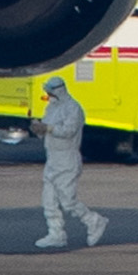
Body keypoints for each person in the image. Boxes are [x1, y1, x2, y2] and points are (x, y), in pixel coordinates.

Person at [34, 76, 107, 249]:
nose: (48, 95)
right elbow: (46, 127)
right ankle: (56, 233)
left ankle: (94, 221)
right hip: (52, 157)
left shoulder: (73, 108)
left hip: (67, 158)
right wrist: (39, 129)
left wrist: (48, 128)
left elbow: (69, 130)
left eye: (50, 92)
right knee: (49, 200)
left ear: (58, 90)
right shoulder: (51, 107)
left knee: (67, 200)